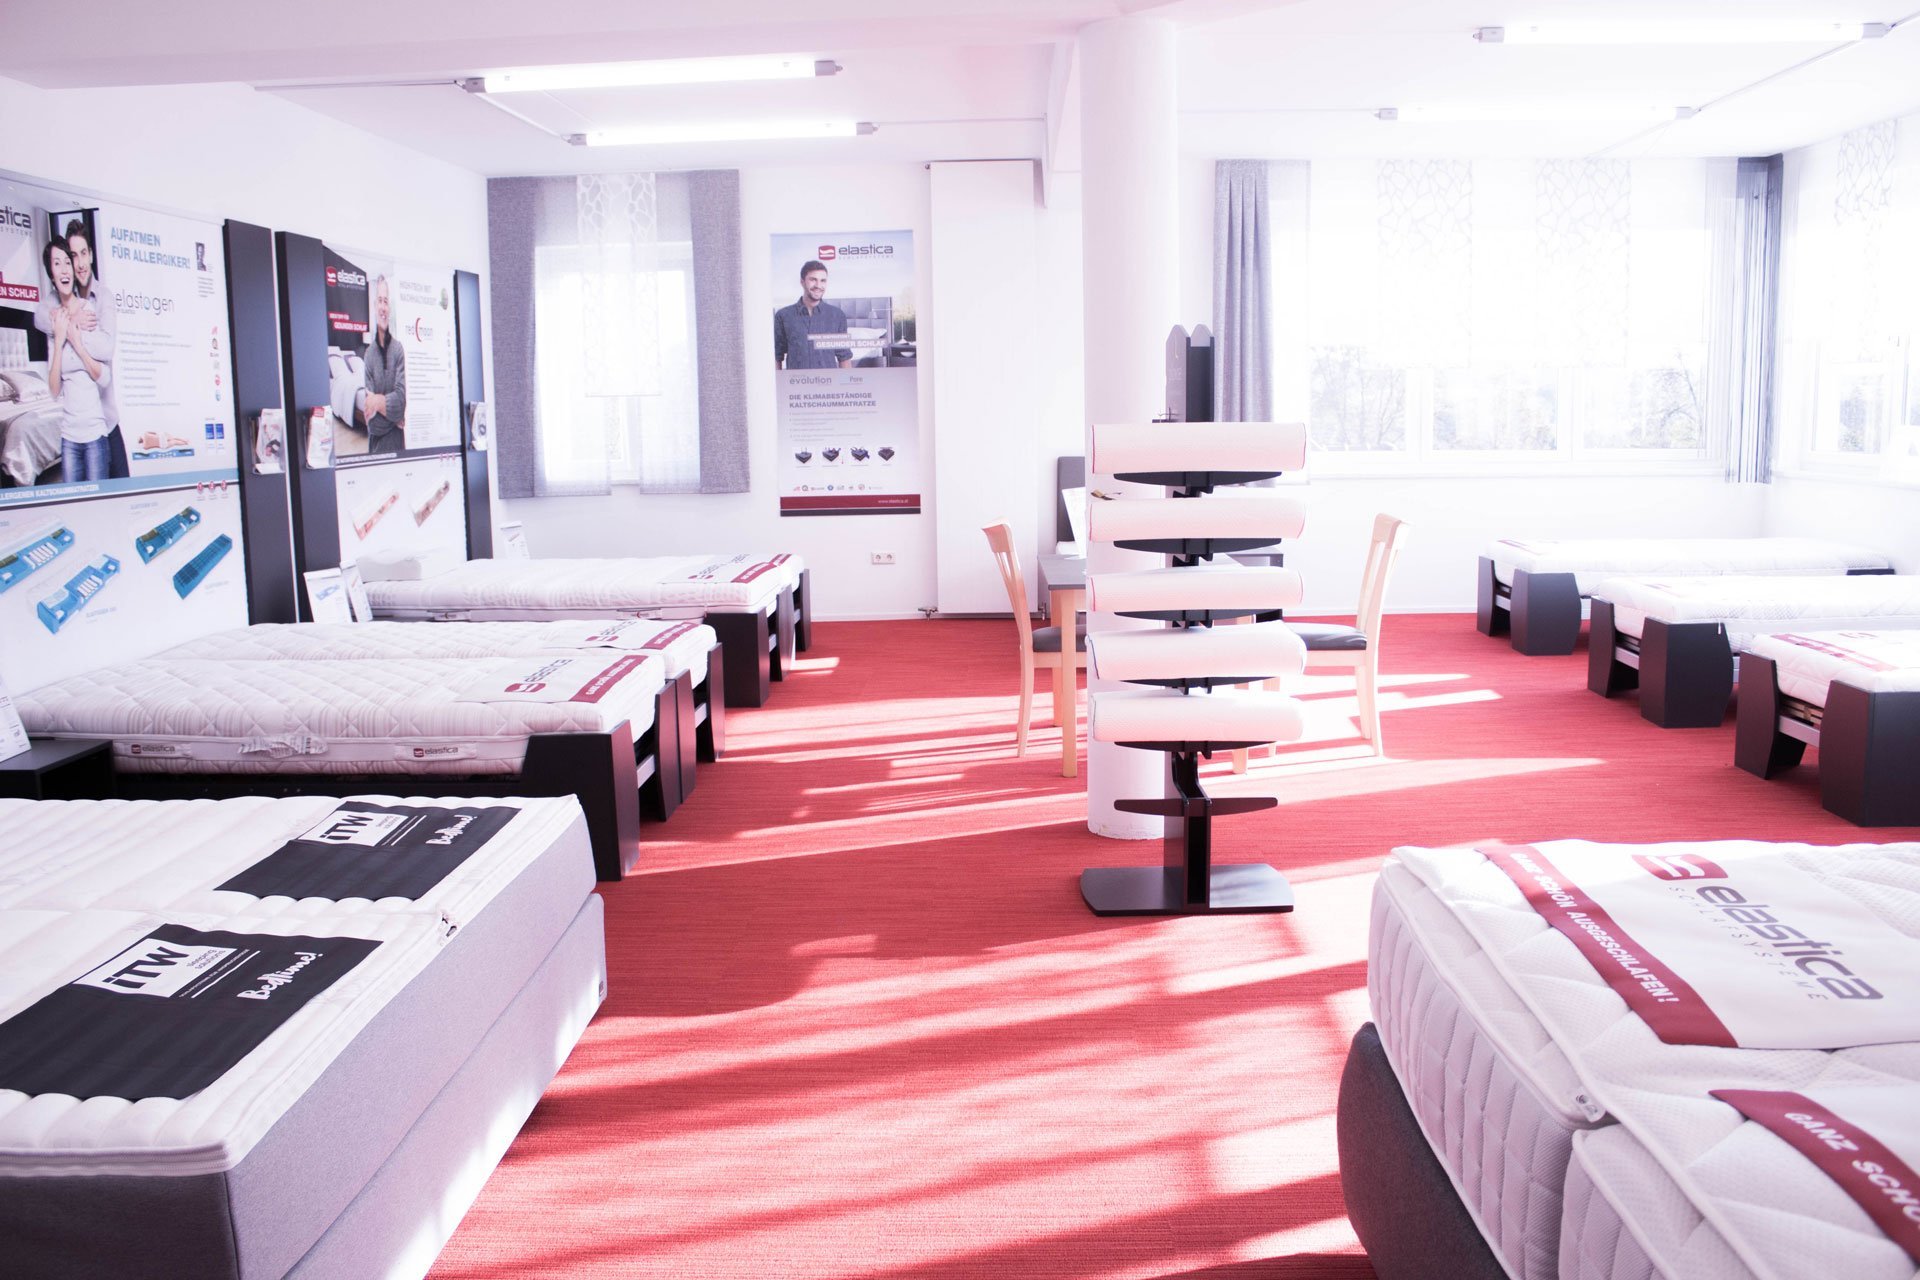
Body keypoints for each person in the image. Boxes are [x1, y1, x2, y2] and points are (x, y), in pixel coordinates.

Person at [35, 220, 127, 477]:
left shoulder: (102, 297)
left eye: (83, 253)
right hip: (75, 426)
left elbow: (106, 349)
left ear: (91, 255)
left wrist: (72, 333)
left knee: (121, 487)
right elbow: (39, 318)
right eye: (72, 256)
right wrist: (69, 320)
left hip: (105, 419)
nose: (79, 263)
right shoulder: (57, 300)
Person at [41, 239, 112, 482]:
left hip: (95, 435)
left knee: (98, 504)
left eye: (67, 262)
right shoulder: (53, 321)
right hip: (69, 438)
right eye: (56, 263)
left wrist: (77, 343)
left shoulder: (88, 310)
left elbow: (105, 378)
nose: (64, 269)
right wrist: (60, 338)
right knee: (73, 504)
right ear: (51, 274)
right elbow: (53, 391)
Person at [773, 260, 852, 369]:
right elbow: (777, 356)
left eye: (823, 280)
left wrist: (847, 380)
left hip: (829, 379)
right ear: (802, 282)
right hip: (796, 379)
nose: (818, 285)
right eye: (813, 280)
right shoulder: (783, 316)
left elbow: (844, 357)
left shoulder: (837, 315)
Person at [361, 274, 406, 454]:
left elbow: (401, 402)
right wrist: (394, 417)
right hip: (375, 446)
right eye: (379, 301)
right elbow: (373, 423)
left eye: (386, 301)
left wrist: (377, 402)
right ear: (374, 306)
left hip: (397, 446)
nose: (382, 307)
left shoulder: (398, 349)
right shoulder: (368, 354)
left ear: (389, 308)